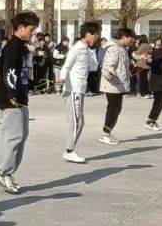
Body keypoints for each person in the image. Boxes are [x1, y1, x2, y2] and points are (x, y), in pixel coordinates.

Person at [0, 11, 39, 194]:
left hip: (21, 96)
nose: (32, 33)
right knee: (14, 136)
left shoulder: (22, 46)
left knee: (22, 135)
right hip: (11, 98)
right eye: (31, 29)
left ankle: (8, 172)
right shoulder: (13, 46)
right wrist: (12, 92)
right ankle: (2, 172)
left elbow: (23, 72)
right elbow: (8, 70)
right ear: (20, 28)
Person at [58, 21, 101, 163]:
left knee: (79, 121)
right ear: (88, 34)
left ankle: (69, 149)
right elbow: (66, 66)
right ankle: (69, 151)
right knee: (76, 121)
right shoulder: (76, 49)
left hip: (80, 90)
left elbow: (94, 67)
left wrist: (93, 50)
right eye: (96, 34)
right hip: (73, 90)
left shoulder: (86, 49)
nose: (97, 37)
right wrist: (62, 79)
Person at [99, 27, 135, 144]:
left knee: (116, 109)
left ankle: (108, 132)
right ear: (124, 37)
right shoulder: (115, 49)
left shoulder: (121, 49)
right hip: (112, 85)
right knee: (113, 109)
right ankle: (105, 134)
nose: (132, 40)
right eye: (131, 38)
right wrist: (112, 75)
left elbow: (121, 66)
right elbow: (108, 66)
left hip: (118, 85)